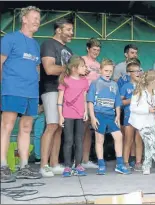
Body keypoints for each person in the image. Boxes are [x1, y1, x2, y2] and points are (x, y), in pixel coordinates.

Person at [1, 6, 43, 183]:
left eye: (38, 19)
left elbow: (37, 69)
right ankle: (2, 166)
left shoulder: (35, 44)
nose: (37, 21)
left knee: (26, 128)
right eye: (34, 17)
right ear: (24, 19)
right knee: (7, 126)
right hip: (12, 89)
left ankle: (24, 166)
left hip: (31, 92)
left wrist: (38, 94)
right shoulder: (10, 39)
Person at [39, 18, 74, 177]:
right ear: (58, 30)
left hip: (65, 92)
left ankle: (54, 164)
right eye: (68, 30)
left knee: (60, 127)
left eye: (72, 30)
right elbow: (49, 69)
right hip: (51, 89)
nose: (71, 33)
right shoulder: (48, 44)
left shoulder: (69, 50)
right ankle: (43, 165)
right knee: (52, 125)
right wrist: (70, 68)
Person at [87, 59, 131, 175]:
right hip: (99, 115)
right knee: (99, 139)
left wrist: (118, 115)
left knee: (119, 136)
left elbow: (117, 102)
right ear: (100, 70)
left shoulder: (114, 84)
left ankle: (120, 164)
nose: (108, 73)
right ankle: (101, 165)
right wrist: (92, 117)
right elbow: (90, 101)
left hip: (111, 115)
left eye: (110, 71)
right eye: (106, 70)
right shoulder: (95, 83)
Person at [129, 70, 155, 175]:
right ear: (152, 82)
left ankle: (146, 166)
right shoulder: (139, 91)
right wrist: (147, 109)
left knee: (149, 144)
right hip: (141, 122)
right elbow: (133, 108)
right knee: (152, 143)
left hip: (151, 121)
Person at [57, 55, 89, 177]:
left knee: (79, 140)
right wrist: (60, 115)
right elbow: (60, 99)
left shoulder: (84, 81)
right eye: (82, 66)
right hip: (68, 114)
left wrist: (85, 111)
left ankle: (78, 165)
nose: (85, 68)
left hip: (80, 114)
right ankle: (67, 166)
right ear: (75, 68)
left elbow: (84, 97)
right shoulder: (65, 80)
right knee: (68, 140)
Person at [81, 38, 101, 169]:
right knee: (80, 129)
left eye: (98, 50)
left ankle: (85, 160)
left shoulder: (99, 65)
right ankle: (76, 160)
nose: (96, 52)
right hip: (81, 97)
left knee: (88, 129)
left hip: (94, 99)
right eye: (94, 49)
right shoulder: (82, 60)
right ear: (88, 48)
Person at [120, 61, 143, 171]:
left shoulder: (143, 86)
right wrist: (132, 100)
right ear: (129, 73)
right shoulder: (125, 86)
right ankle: (125, 162)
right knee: (128, 140)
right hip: (129, 116)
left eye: (140, 71)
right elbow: (120, 102)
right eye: (136, 71)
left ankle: (138, 162)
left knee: (139, 140)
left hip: (141, 116)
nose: (139, 73)